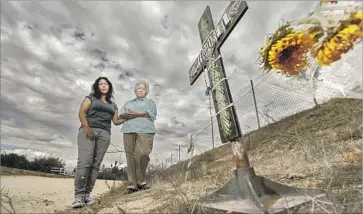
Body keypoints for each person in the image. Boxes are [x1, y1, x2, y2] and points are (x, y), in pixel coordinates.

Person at [72, 77, 127, 208]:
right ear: (97, 87)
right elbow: (81, 113)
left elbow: (116, 121)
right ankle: (79, 196)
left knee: (96, 165)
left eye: (106, 84)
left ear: (109, 87)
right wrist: (86, 127)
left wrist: (127, 118)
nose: (103, 85)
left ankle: (87, 195)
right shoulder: (90, 98)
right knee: (85, 162)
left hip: (105, 134)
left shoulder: (113, 105)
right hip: (88, 130)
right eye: (100, 84)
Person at [119, 80, 157, 194]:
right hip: (129, 129)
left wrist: (137, 114)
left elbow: (151, 114)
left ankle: (141, 181)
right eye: (138, 88)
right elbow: (120, 115)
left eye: (143, 88)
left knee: (143, 153)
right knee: (130, 156)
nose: (141, 90)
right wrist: (126, 114)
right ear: (135, 90)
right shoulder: (128, 103)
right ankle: (132, 185)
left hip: (145, 129)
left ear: (147, 91)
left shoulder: (150, 102)